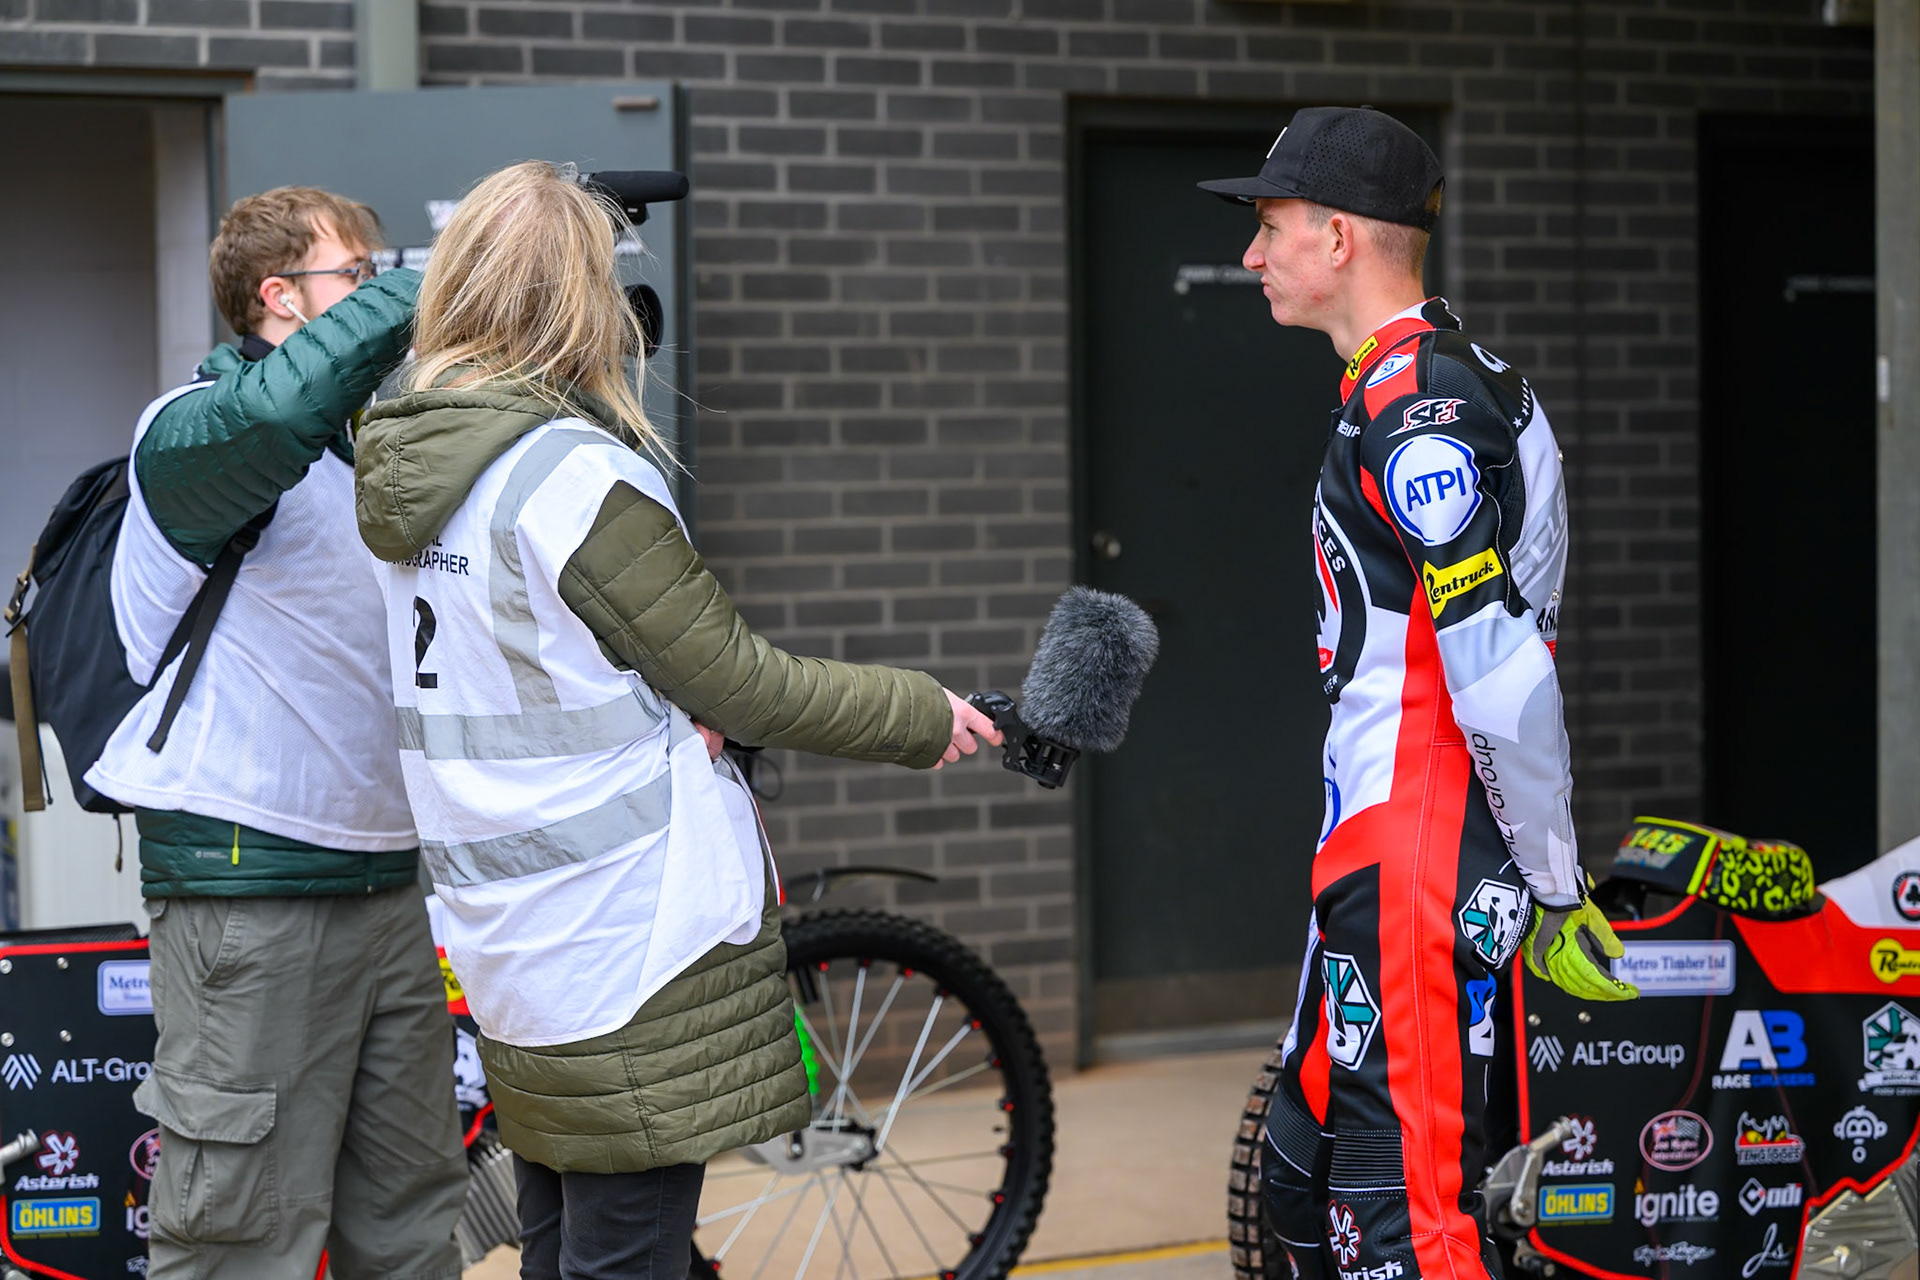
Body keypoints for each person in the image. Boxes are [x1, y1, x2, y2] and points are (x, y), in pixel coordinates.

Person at [352, 160, 1003, 1280]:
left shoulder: (408, 467)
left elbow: (535, 669)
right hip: (628, 932)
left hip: (510, 932)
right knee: (627, 1253)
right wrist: (920, 711)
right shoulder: (569, 475)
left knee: (561, 1236)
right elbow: (739, 681)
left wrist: (657, 713)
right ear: (577, 302)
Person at [1198, 108, 1639, 1280]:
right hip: (1381, 840)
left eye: (1270, 226)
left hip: (1421, 843)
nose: (1254, 254)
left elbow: (1497, 665)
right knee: (1301, 1168)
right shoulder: (1415, 381)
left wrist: (1554, 878)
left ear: (1338, 236)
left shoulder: (1423, 404)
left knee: (1411, 1218)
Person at [86, 188, 466, 1277]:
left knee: (410, 1227)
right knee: (242, 1240)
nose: (382, 291)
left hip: (386, 887)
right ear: (278, 294)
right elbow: (276, 413)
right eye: (358, 272)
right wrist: (435, 273)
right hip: (248, 894)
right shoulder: (192, 430)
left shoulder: (366, 457)